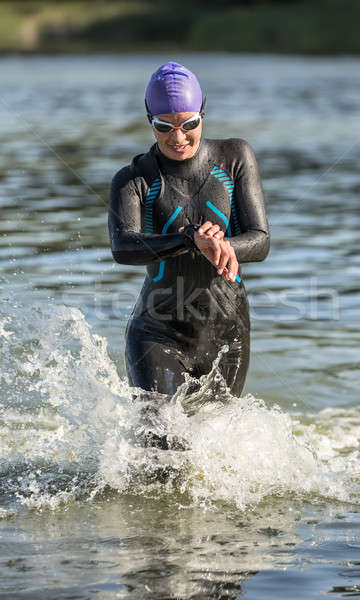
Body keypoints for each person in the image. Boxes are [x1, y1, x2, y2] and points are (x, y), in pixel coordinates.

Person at [109, 61, 270, 417]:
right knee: (164, 449)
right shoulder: (132, 179)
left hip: (228, 334)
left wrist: (224, 244)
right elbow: (124, 247)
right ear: (150, 120)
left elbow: (260, 241)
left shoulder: (235, 158)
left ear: (202, 113)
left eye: (189, 124)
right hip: (158, 333)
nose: (178, 137)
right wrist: (189, 239)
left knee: (211, 451)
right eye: (163, 126)